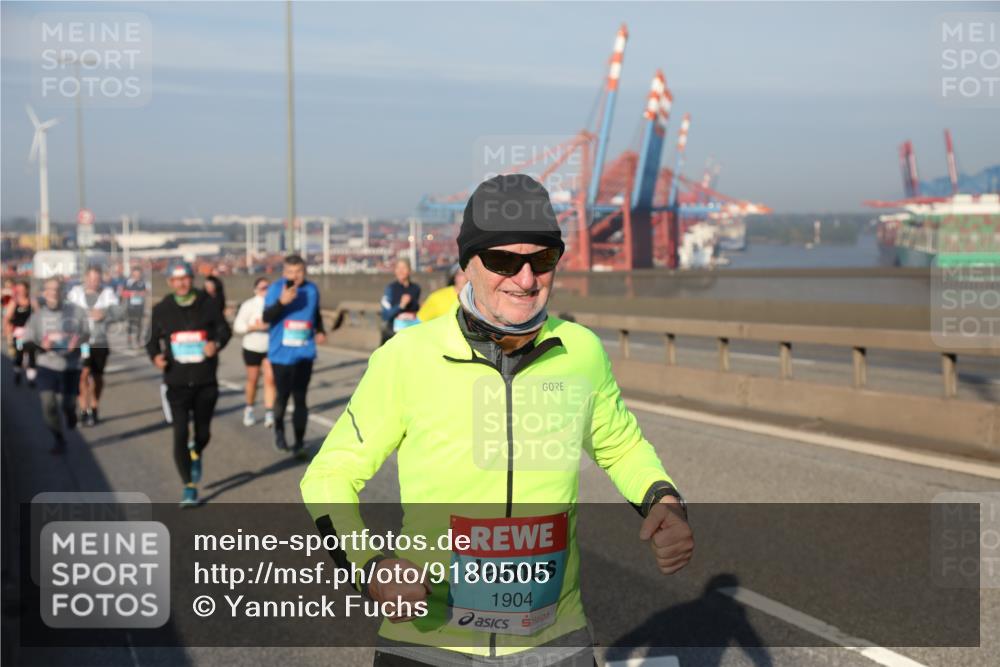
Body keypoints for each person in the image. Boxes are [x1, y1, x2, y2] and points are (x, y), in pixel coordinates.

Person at [301, 174, 693, 667]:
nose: (526, 280)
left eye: (542, 259)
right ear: (467, 265)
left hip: (553, 639)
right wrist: (370, 565)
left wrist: (663, 499)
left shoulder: (581, 351)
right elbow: (328, 476)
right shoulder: (407, 358)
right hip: (429, 640)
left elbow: (620, 445)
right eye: (505, 260)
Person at [146, 261, 231, 507]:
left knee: (203, 433)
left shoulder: (208, 303)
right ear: (170, 283)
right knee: (180, 434)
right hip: (176, 382)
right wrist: (155, 357)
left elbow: (224, 330)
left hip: (206, 380)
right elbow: (150, 340)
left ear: (191, 280)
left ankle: (197, 449)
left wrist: (216, 343)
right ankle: (188, 486)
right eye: (175, 280)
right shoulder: (162, 309)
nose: (181, 283)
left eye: (185, 279)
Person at [262, 254, 325, 456]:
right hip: (280, 354)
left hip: (304, 352)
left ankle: (299, 442)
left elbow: (315, 313)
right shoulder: (275, 289)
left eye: (299, 271)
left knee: (300, 398)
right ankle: (279, 431)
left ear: (304, 271)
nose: (295, 276)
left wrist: (321, 329)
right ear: (284, 272)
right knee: (283, 395)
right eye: (290, 272)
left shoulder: (312, 289)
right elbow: (266, 317)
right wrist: (282, 302)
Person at [21, 278, 89, 454]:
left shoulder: (77, 313)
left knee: (67, 405)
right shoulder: (37, 317)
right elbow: (27, 342)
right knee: (48, 404)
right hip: (47, 365)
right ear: (44, 293)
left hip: (70, 366)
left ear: (63, 292)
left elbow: (87, 334)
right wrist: (40, 346)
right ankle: (59, 438)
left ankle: (71, 414)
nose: (53, 293)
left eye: (57, 289)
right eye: (50, 290)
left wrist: (78, 341)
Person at [66, 266, 121, 426]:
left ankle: (94, 407)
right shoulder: (75, 293)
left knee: (97, 377)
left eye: (97, 280)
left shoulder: (108, 294)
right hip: (81, 341)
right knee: (82, 375)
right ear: (85, 279)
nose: (93, 283)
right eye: (90, 279)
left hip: (100, 342)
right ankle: (83, 409)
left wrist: (105, 313)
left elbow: (119, 312)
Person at [232, 277, 275, 428]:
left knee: (270, 379)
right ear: (256, 290)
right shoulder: (249, 305)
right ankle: (249, 408)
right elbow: (238, 326)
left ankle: (269, 412)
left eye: (268, 287)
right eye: (263, 288)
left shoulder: (275, 304)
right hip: (252, 347)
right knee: (253, 379)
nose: (266, 290)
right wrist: (255, 327)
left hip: (270, 348)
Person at [379, 258, 420, 344]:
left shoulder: (416, 288)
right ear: (395, 271)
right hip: (394, 334)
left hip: (412, 333)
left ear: (409, 270)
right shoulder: (390, 289)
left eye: (404, 268)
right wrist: (400, 305)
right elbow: (385, 315)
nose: (400, 271)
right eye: (398, 268)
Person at [5, 279, 37, 387]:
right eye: (19, 290)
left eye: (23, 290)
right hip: (18, 334)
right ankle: (18, 372)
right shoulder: (14, 302)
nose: (21, 292)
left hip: (31, 334)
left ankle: (31, 379)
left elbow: (40, 315)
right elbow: (7, 319)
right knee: (19, 354)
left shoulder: (32, 301)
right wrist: (8, 335)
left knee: (31, 355)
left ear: (27, 290)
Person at [120, 267, 148, 347]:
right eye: (135, 274)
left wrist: (140, 293)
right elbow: (123, 293)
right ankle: (129, 341)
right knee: (130, 324)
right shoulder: (128, 282)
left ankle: (138, 340)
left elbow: (145, 292)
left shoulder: (142, 282)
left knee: (139, 324)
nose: (137, 276)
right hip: (130, 307)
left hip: (139, 307)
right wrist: (131, 293)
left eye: (138, 274)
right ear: (132, 274)